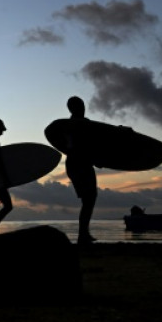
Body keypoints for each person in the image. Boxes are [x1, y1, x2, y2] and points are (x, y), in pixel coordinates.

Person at [64, 96, 98, 246]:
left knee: (89, 199)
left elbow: (98, 141)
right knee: (89, 198)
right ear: (74, 108)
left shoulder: (82, 124)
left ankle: (84, 233)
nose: (84, 108)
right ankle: (83, 235)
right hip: (78, 164)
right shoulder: (71, 126)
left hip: (81, 163)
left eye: (83, 105)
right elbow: (72, 147)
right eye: (80, 106)